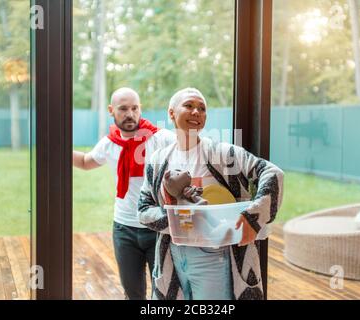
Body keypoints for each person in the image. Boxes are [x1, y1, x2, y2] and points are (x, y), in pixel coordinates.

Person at [138, 87, 284, 300]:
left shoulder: (225, 154)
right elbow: (143, 209)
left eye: (202, 108)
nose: (196, 112)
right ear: (171, 113)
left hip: (215, 256)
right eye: (189, 106)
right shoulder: (158, 160)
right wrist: (175, 219)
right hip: (172, 256)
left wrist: (254, 217)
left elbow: (273, 173)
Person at [73, 87, 175, 300]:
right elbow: (84, 162)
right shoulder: (109, 144)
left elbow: (190, 155)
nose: (130, 114)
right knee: (132, 292)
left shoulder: (162, 138)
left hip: (158, 227)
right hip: (124, 229)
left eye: (134, 108)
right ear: (111, 110)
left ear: (140, 109)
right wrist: (57, 146)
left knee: (163, 292)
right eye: (123, 109)